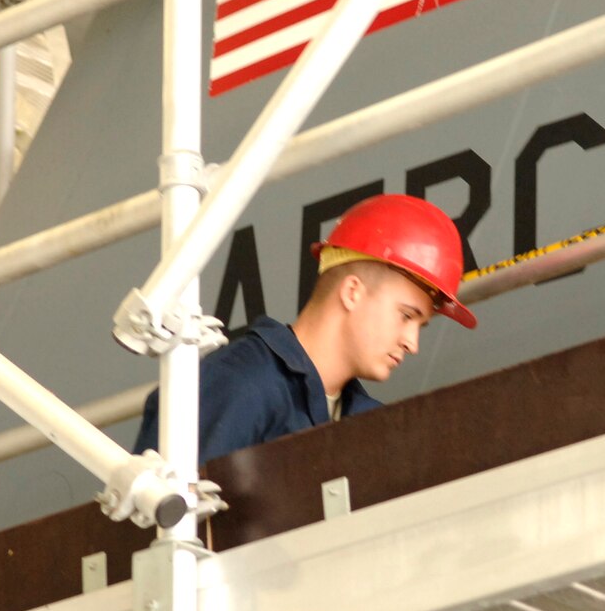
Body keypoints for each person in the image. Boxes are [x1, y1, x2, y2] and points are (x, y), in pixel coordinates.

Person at [133, 194, 476, 464]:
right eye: (406, 316)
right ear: (352, 292)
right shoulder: (238, 383)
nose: (412, 343)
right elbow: (160, 539)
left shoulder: (371, 426)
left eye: (421, 326)